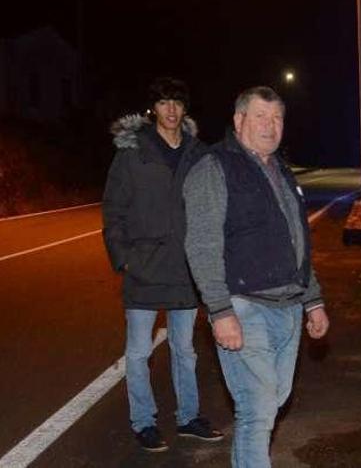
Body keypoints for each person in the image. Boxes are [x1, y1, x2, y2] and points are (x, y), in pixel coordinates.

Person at [183, 86, 329, 467]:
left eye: (277, 118)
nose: (270, 126)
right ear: (239, 120)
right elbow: (201, 245)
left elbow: (298, 241)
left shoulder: (280, 170)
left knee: (271, 401)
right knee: (258, 408)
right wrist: (220, 310)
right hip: (244, 307)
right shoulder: (214, 168)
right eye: (261, 116)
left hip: (290, 308)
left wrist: (313, 300)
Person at [102, 77, 222, 452]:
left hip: (184, 268)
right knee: (139, 351)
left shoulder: (197, 153)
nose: (171, 110)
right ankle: (144, 422)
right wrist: (123, 258)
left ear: (186, 109)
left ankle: (188, 417)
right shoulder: (133, 151)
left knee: (185, 349)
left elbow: (209, 208)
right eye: (165, 102)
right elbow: (114, 209)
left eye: (178, 103)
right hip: (144, 267)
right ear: (153, 108)